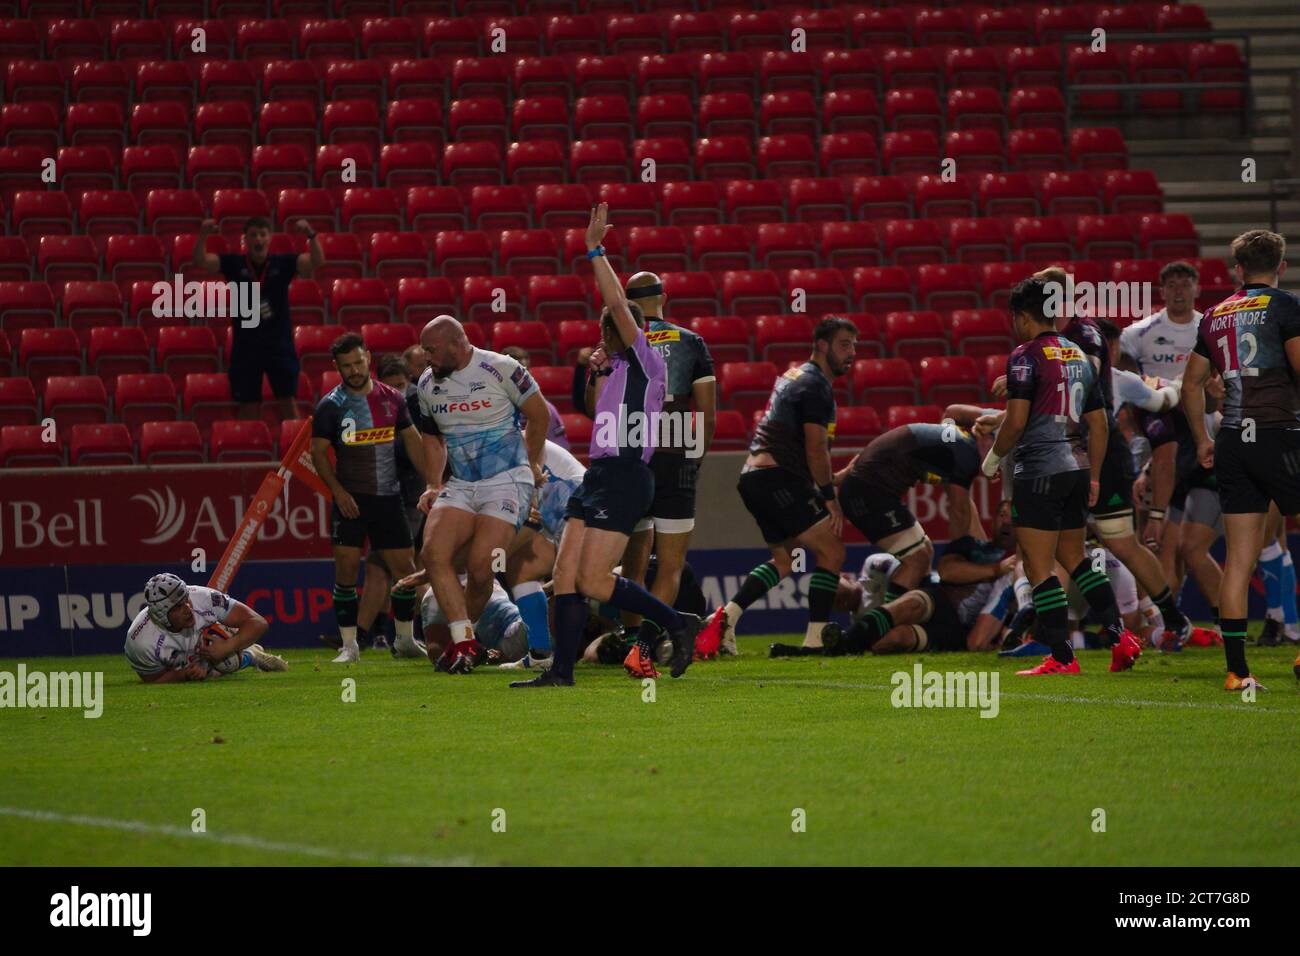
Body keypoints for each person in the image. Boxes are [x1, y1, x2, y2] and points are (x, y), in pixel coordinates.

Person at [511, 204, 697, 687]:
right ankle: (562, 672)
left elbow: (617, 304)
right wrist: (595, 369)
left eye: (606, 332)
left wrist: (594, 249)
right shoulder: (615, 368)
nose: (602, 337)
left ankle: (675, 624)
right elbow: (596, 412)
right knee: (568, 578)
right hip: (598, 474)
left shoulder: (647, 360)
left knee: (595, 581)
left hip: (627, 476)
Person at [981, 277, 1139, 676]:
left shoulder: (1024, 355)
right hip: (1078, 468)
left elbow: (1016, 421)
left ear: (1021, 316)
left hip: (1038, 471)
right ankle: (1120, 637)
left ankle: (1063, 657)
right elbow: (1100, 424)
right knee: (1076, 558)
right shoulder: (1078, 355)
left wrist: (995, 457)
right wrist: (1096, 478)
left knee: (1039, 568)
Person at [696, 316, 857, 658]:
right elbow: (815, 449)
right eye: (844, 345)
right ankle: (815, 642)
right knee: (833, 552)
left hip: (755, 478)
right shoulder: (816, 386)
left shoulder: (793, 375)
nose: (851, 353)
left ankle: (724, 618)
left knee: (783, 561)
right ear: (823, 345)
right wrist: (829, 498)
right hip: (777, 478)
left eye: (854, 346)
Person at [1181, 229, 1300, 690]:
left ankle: (1237, 672)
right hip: (1279, 434)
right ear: (1281, 267)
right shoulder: (1285, 306)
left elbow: (1191, 383)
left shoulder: (1214, 315)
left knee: (1238, 560)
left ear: (1238, 270)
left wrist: (1201, 439)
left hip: (1231, 438)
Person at [415, 315, 553, 674]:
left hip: (506, 480)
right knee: (433, 553)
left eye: (430, 349)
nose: (424, 356)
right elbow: (432, 437)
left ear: (455, 344)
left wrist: (533, 463)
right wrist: (433, 484)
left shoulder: (501, 368)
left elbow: (539, 416)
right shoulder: (428, 383)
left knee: (481, 567)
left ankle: (466, 638)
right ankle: (464, 642)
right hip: (461, 483)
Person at [311, 333, 433, 663]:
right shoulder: (330, 406)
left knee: (404, 570)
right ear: (337, 366)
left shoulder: (393, 399)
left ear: (368, 357)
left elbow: (413, 442)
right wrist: (338, 492)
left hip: (388, 499)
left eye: (358, 362)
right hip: (350, 500)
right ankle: (350, 646)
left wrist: (433, 483)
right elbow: (319, 454)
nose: (353, 370)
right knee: (347, 570)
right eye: (345, 365)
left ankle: (405, 639)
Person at [616, 271, 719, 655]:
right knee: (671, 565)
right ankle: (644, 646)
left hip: (630, 458)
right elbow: (706, 415)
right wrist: (696, 459)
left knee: (634, 563)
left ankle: (629, 637)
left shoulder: (620, 341)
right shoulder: (692, 342)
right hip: (676, 457)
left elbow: (598, 407)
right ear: (665, 296)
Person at [191, 216, 323, 422]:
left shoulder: (283, 263)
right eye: (253, 235)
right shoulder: (234, 264)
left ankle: (299, 453)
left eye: (262, 234)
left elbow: (316, 261)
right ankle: (248, 451)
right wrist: (203, 235)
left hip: (279, 345)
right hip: (246, 346)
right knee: (248, 408)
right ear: (246, 240)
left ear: (269, 238)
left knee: (288, 404)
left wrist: (311, 235)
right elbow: (200, 260)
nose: (258, 239)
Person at [499, 438, 586, 670]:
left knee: (589, 581)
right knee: (521, 568)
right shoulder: (499, 445)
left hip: (574, 502)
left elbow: (530, 520)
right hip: (564, 508)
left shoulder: (510, 443)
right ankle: (540, 655)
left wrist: (489, 562)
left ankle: (663, 626)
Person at [125, 573, 286, 682]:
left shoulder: (203, 597)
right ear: (161, 615)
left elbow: (258, 622)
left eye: (186, 599)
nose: (188, 608)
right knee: (209, 672)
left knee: (226, 658)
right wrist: (185, 674)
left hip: (210, 643)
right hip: (180, 664)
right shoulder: (139, 641)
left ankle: (248, 655)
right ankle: (248, 655)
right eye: (178, 607)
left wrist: (227, 647)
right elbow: (152, 679)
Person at [500, 345, 570, 448]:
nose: (522, 381)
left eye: (526, 375)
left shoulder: (545, 409)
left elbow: (561, 448)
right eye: (517, 376)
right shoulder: (490, 409)